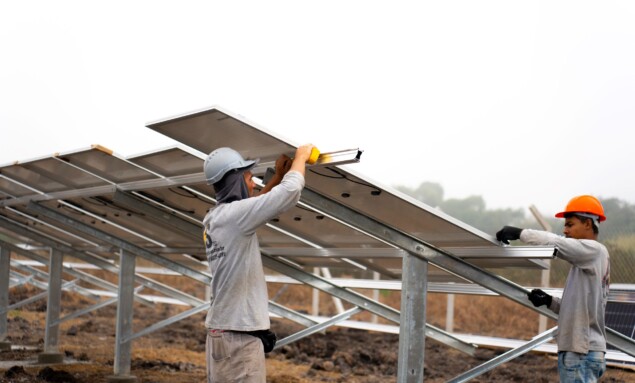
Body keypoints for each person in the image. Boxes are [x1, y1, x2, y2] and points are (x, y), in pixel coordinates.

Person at [202, 144, 315, 383]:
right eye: (249, 178)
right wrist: (301, 158)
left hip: (224, 333)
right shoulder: (235, 217)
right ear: (236, 182)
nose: (253, 184)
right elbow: (291, 191)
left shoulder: (215, 217)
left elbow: (252, 207)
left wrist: (276, 178)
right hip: (238, 338)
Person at [496, 195, 610, 383]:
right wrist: (550, 302)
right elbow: (580, 309)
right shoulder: (587, 261)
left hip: (580, 352)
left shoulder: (593, 250)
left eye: (570, 224)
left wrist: (520, 233)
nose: (565, 230)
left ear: (588, 224)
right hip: (583, 350)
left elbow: (557, 243)